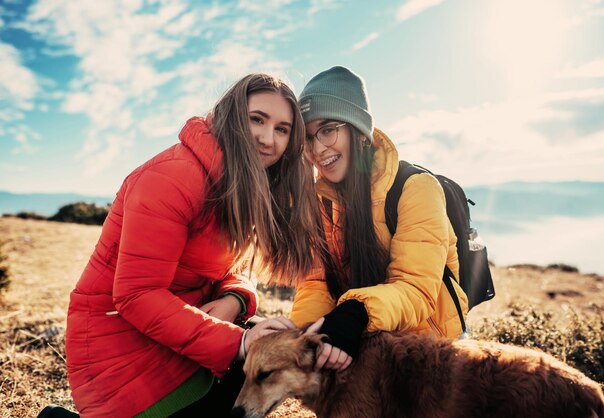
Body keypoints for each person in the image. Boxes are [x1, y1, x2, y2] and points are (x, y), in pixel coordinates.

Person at [43, 73, 324, 418]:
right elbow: (137, 295)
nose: (268, 139)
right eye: (257, 119)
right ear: (232, 117)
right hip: (122, 349)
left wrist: (233, 300)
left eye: (282, 129)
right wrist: (239, 342)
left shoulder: (244, 183)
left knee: (266, 371)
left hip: (187, 333)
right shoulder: (173, 177)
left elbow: (235, 268)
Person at [289, 66, 469, 371]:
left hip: (431, 348)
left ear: (357, 129)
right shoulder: (319, 203)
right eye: (307, 138)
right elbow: (316, 283)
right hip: (363, 338)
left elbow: (416, 289)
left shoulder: (415, 188)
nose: (317, 149)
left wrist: (355, 313)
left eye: (328, 129)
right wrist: (306, 332)